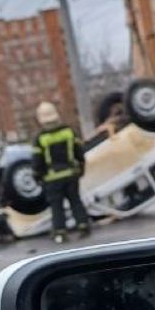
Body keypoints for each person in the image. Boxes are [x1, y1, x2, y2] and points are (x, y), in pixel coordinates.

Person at [32, 101, 91, 244]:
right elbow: (79, 152)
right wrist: (81, 167)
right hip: (71, 174)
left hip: (52, 178)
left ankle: (60, 232)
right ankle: (83, 226)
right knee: (75, 201)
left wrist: (37, 176)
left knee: (56, 206)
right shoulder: (68, 131)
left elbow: (37, 160)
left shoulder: (40, 138)